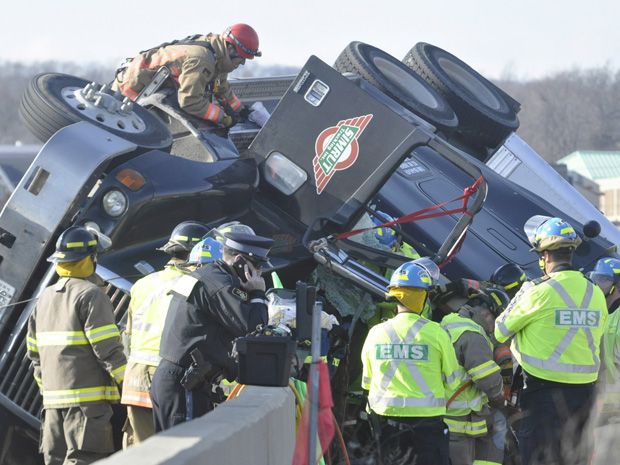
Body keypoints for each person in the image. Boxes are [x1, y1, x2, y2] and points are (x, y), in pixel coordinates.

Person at [494, 216, 608, 465]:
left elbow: (500, 331)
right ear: (571, 252)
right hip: (585, 392)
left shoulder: (537, 291)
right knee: (574, 458)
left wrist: (522, 293)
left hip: (542, 392)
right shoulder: (595, 292)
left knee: (538, 457)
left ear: (544, 256)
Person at [151, 230, 273, 431]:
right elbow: (254, 329)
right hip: (186, 382)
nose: (259, 273)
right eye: (257, 266)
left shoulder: (210, 275)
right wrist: (258, 293)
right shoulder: (219, 284)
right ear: (240, 260)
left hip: (179, 379)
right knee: (186, 455)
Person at [26, 226, 126, 465]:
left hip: (52, 405)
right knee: (84, 459)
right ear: (90, 259)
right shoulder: (91, 295)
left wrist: (49, 389)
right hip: (86, 407)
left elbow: (34, 354)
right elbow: (107, 348)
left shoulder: (45, 298)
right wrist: (127, 381)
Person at [361, 261, 463, 465]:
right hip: (428, 427)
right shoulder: (436, 333)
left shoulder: (375, 334)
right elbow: (453, 381)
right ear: (422, 297)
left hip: (388, 425)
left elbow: (367, 383)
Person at [120, 221, 209, 447]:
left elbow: (127, 335)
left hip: (135, 376)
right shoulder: (196, 285)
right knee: (171, 449)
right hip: (168, 377)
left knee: (139, 452)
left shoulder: (142, 284)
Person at [112, 24, 260, 127]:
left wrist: (241, 111)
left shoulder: (217, 55)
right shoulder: (203, 59)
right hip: (128, 96)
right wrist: (223, 118)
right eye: (242, 58)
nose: (242, 64)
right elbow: (190, 101)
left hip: (147, 92)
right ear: (231, 49)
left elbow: (220, 87)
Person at [440, 289, 508, 465]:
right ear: (486, 313)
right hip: (459, 416)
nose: (495, 328)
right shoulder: (473, 335)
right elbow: (488, 379)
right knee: (498, 423)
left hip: (442, 410)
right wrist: (500, 399)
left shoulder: (448, 322)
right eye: (496, 320)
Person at [589, 257, 620, 424]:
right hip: (596, 398)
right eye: (596, 278)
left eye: (603, 280)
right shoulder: (597, 311)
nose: (597, 285)